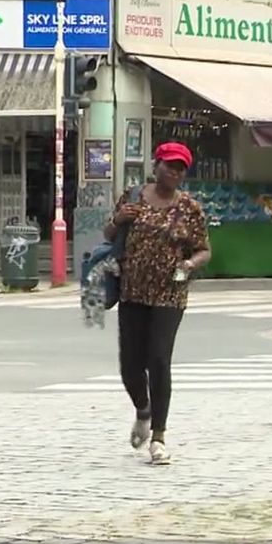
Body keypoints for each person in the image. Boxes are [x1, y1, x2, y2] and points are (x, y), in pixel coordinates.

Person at [104, 142, 212, 464]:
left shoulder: (190, 208)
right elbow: (109, 234)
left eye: (180, 168)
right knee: (130, 365)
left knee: (159, 359)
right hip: (133, 290)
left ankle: (159, 437)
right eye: (169, 165)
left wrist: (190, 265)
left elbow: (204, 249)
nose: (174, 172)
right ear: (156, 166)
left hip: (170, 292)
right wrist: (118, 218)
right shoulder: (133, 197)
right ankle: (143, 409)